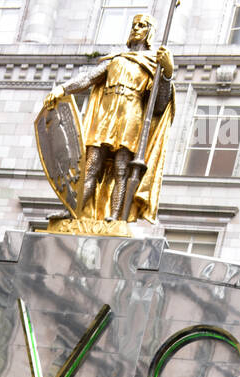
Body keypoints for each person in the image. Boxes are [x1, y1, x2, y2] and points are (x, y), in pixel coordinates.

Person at [43, 12, 175, 223]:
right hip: (105, 115)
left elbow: (159, 105)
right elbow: (87, 78)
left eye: (141, 26)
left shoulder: (153, 63)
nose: (136, 28)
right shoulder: (116, 60)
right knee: (90, 166)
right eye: (134, 24)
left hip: (131, 116)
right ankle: (73, 211)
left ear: (149, 32)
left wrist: (167, 73)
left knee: (122, 168)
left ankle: (115, 217)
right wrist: (63, 89)